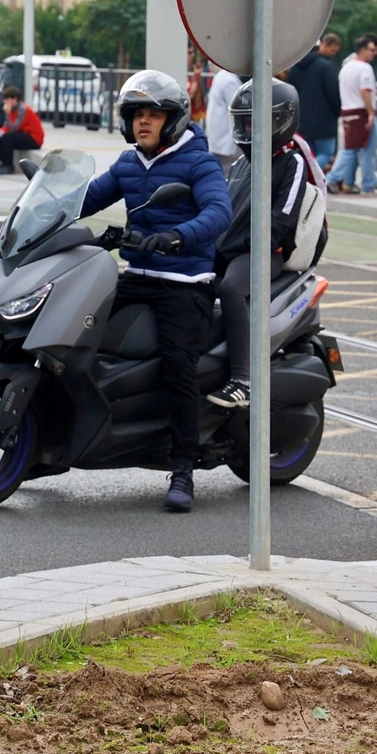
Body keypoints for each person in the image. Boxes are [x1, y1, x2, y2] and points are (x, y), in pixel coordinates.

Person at [78, 71, 232, 512]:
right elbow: (88, 198)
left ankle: (183, 467)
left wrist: (178, 236)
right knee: (77, 329)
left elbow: (219, 211)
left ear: (174, 119)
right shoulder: (129, 163)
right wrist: (42, 204)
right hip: (137, 276)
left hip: (184, 282)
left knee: (177, 364)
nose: (143, 122)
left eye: (153, 114)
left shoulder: (198, 162)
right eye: (136, 115)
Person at [208, 79, 327, 410]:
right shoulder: (241, 163)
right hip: (232, 248)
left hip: (262, 253)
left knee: (232, 288)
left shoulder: (292, 162)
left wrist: (243, 244)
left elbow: (282, 219)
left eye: (258, 121)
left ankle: (243, 379)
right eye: (245, 121)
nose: (250, 129)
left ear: (282, 120)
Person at [325, 36, 377, 195]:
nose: (374, 53)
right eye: (372, 50)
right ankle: (365, 184)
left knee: (352, 148)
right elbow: (365, 91)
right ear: (363, 50)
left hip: (348, 110)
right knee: (363, 151)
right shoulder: (364, 68)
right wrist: (370, 113)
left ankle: (350, 181)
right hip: (362, 111)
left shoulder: (346, 67)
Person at [289, 34, 342, 172]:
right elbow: (333, 93)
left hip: (302, 120)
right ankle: (308, 176)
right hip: (324, 121)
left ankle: (303, 175)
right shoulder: (326, 66)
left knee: (307, 154)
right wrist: (337, 112)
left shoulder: (297, 67)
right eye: (333, 50)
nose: (333, 54)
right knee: (325, 153)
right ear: (324, 45)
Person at [0, 84, 45, 173]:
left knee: (7, 137)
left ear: (15, 99)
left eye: (7, 99)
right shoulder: (12, 109)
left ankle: (8, 166)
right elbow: (7, 126)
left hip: (33, 139)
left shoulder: (23, 110)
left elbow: (15, 127)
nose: (5, 102)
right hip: (22, 134)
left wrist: (8, 114)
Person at [203, 65, 241, 174]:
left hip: (218, 140)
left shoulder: (221, 77)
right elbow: (238, 108)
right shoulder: (229, 80)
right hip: (226, 142)